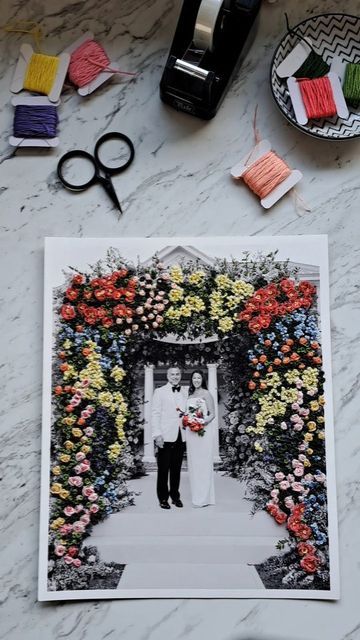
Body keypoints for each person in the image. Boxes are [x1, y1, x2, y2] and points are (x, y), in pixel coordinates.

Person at [151, 366, 186, 509]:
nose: (175, 376)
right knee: (163, 469)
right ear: (167, 376)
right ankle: (163, 498)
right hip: (164, 436)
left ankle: (175, 496)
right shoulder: (159, 392)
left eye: (177, 374)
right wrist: (157, 434)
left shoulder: (184, 392)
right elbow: (155, 414)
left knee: (176, 469)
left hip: (181, 435)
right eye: (172, 374)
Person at [185, 370, 216, 507]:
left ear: (202, 379)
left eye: (198, 378)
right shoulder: (189, 395)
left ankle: (204, 498)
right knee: (194, 463)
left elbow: (212, 414)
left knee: (203, 462)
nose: (196, 380)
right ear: (191, 380)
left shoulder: (206, 393)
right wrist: (187, 421)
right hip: (191, 433)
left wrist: (201, 423)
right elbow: (186, 413)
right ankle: (197, 495)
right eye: (194, 378)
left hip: (203, 431)